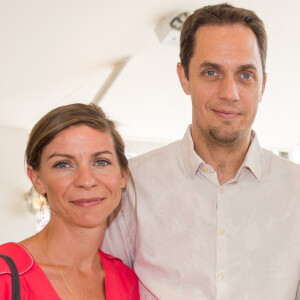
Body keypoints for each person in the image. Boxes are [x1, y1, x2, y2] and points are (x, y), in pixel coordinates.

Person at [102, 3, 300, 299]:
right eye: (211, 72)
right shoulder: (131, 185)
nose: (229, 93)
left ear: (263, 85)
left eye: (245, 75)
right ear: (184, 78)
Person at [0, 103, 139, 299]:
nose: (86, 181)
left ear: (122, 175)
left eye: (101, 162)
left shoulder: (127, 281)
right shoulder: (5, 276)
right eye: (63, 164)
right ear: (37, 180)